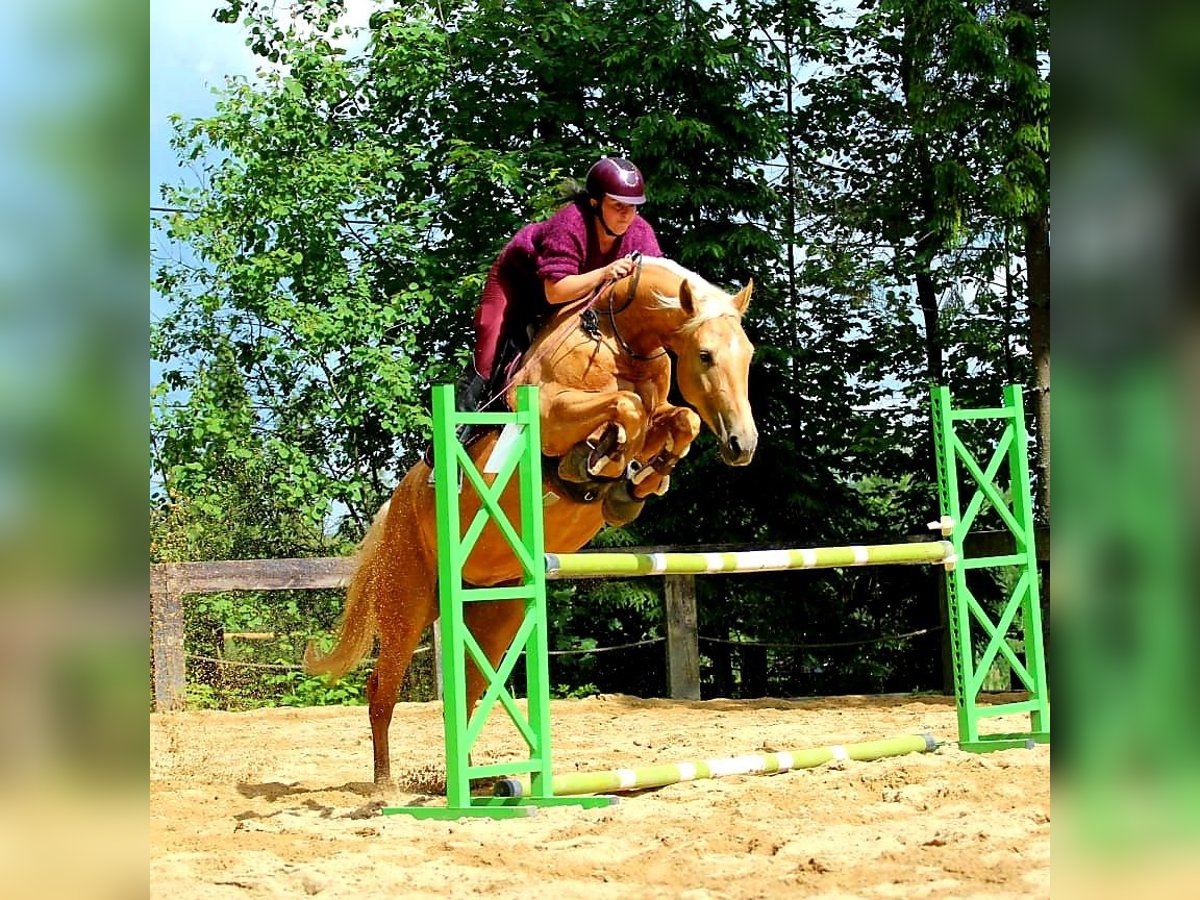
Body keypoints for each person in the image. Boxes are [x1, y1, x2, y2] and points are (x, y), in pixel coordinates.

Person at [460, 156, 663, 417]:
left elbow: (656, 280)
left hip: (576, 295)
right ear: (595, 202)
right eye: (617, 205)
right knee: (490, 336)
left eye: (633, 207)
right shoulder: (570, 223)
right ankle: (459, 425)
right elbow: (555, 292)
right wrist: (605, 272)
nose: (626, 215)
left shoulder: (640, 233)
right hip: (519, 284)